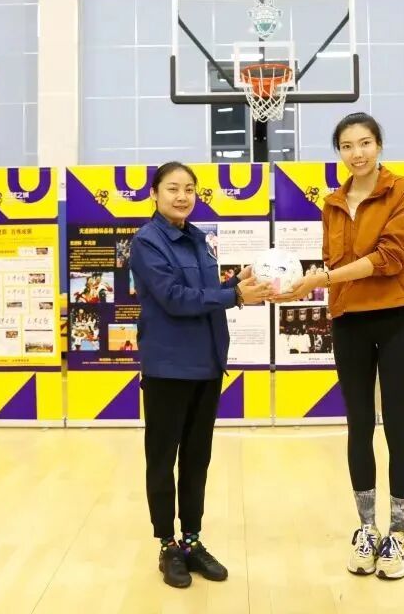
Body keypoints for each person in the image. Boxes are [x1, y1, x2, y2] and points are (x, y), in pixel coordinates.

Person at [274, 112, 404, 581]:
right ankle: (367, 528)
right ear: (338, 151)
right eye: (346, 145)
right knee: (358, 426)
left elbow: (391, 258)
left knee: (397, 426)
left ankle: (397, 534)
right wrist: (307, 281)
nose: (356, 153)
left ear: (379, 145)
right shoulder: (333, 202)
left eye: (364, 143)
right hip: (349, 322)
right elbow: (335, 260)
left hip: (398, 316)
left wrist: (322, 278)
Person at [129, 161, 272, 589]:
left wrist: (236, 281)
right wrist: (234, 295)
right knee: (163, 459)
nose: (182, 196)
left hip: (207, 365)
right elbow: (175, 298)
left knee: (197, 458)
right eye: (173, 188)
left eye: (189, 189)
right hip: (168, 368)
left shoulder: (198, 238)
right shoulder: (147, 241)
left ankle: (192, 541)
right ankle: (167, 545)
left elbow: (203, 292)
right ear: (154, 194)